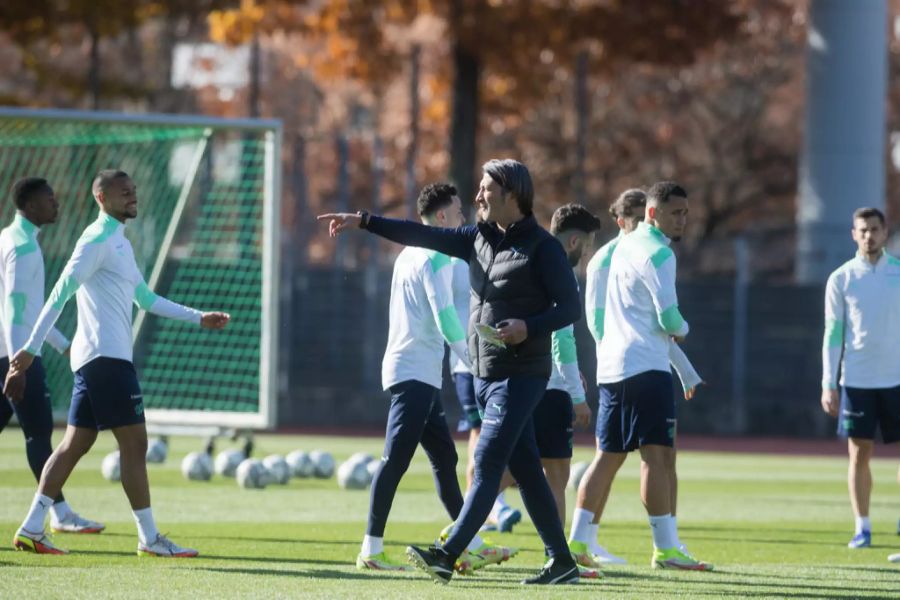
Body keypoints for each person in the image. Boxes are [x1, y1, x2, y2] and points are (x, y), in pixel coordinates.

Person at [319, 159, 583, 585]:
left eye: (485, 189)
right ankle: (562, 561)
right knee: (528, 470)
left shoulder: (543, 247)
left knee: (487, 459)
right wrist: (364, 221)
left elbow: (570, 308)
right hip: (484, 373)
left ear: (511, 194)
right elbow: (421, 233)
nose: (478, 196)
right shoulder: (476, 238)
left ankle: (447, 553)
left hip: (522, 374)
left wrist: (528, 327)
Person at [7, 169, 230, 557]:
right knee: (135, 442)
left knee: (76, 443)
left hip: (101, 358)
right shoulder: (95, 239)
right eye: (123, 192)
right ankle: (149, 538)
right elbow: (60, 292)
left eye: (133, 190)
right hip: (103, 359)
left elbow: (144, 299)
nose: (132, 196)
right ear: (101, 198)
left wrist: (198, 317)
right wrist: (28, 349)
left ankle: (30, 527)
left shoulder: (120, 242)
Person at [357, 182, 512, 574]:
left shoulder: (408, 255)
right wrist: (475, 361)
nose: (463, 217)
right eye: (458, 212)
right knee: (395, 460)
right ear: (441, 217)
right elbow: (445, 319)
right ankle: (371, 549)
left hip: (414, 369)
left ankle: (470, 542)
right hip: (414, 371)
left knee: (444, 458)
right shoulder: (435, 258)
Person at [568, 188, 703, 568]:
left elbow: (606, 320)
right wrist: (684, 329)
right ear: (653, 212)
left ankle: (578, 543)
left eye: (685, 213)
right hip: (645, 367)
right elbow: (669, 319)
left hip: (614, 367)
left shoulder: (617, 250)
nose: (682, 220)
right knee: (658, 458)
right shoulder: (659, 252)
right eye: (676, 212)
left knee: (608, 457)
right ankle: (666, 548)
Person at [0, 177, 103, 535]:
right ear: (30, 206)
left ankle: (59, 512)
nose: (56, 204)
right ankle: (59, 513)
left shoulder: (9, 237)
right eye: (49, 199)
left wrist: (63, 344)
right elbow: (14, 312)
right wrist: (19, 363)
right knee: (39, 434)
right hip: (17, 358)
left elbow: (29, 309)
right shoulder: (23, 248)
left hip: (8, 355)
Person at [820, 207, 900, 549]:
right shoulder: (841, 278)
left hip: (897, 380)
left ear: (885, 232)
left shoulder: (898, 273)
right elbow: (833, 334)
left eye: (875, 229)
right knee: (859, 454)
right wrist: (828, 382)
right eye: (862, 230)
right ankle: (862, 527)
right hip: (857, 380)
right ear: (854, 234)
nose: (869, 235)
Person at [538, 204, 599, 525]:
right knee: (556, 475)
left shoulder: (531, 261)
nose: (588, 253)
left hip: (526, 379)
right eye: (587, 245)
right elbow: (562, 341)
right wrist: (577, 396)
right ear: (574, 241)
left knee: (517, 467)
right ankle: (559, 557)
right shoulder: (562, 273)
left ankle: (464, 532)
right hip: (551, 387)